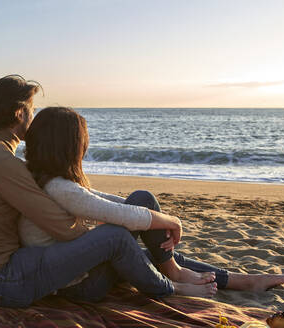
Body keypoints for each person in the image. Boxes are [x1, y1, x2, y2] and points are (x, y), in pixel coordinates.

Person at [0, 75, 284, 308]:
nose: (33, 121)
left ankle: (234, 279)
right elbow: (64, 226)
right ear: (20, 112)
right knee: (117, 238)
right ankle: (175, 285)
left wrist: (128, 218)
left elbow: (75, 206)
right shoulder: (2, 162)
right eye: (31, 111)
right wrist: (114, 231)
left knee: (129, 235)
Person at [20, 106, 217, 297]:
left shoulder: (39, 178)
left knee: (142, 200)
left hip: (69, 270)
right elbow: (122, 215)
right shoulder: (59, 188)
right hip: (79, 284)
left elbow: (97, 199)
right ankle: (172, 284)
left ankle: (175, 270)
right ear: (69, 147)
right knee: (121, 229)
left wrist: (149, 211)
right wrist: (173, 221)